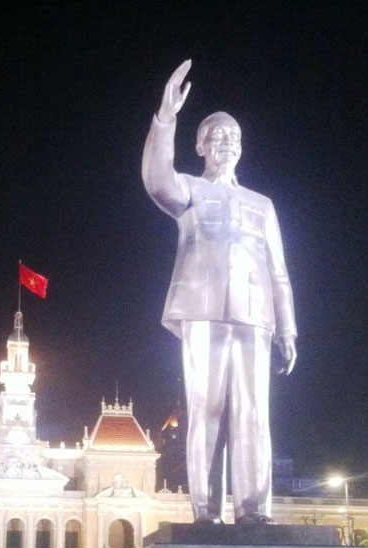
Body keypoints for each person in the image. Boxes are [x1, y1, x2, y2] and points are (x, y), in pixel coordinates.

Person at [142, 60, 297, 524]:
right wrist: (165, 118)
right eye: (216, 137)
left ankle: (254, 511)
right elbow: (156, 179)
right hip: (203, 311)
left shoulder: (261, 204)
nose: (226, 143)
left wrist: (288, 327)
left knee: (253, 413)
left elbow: (279, 271)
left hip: (255, 316)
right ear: (201, 147)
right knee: (206, 408)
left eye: (233, 138)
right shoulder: (188, 190)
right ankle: (205, 513)